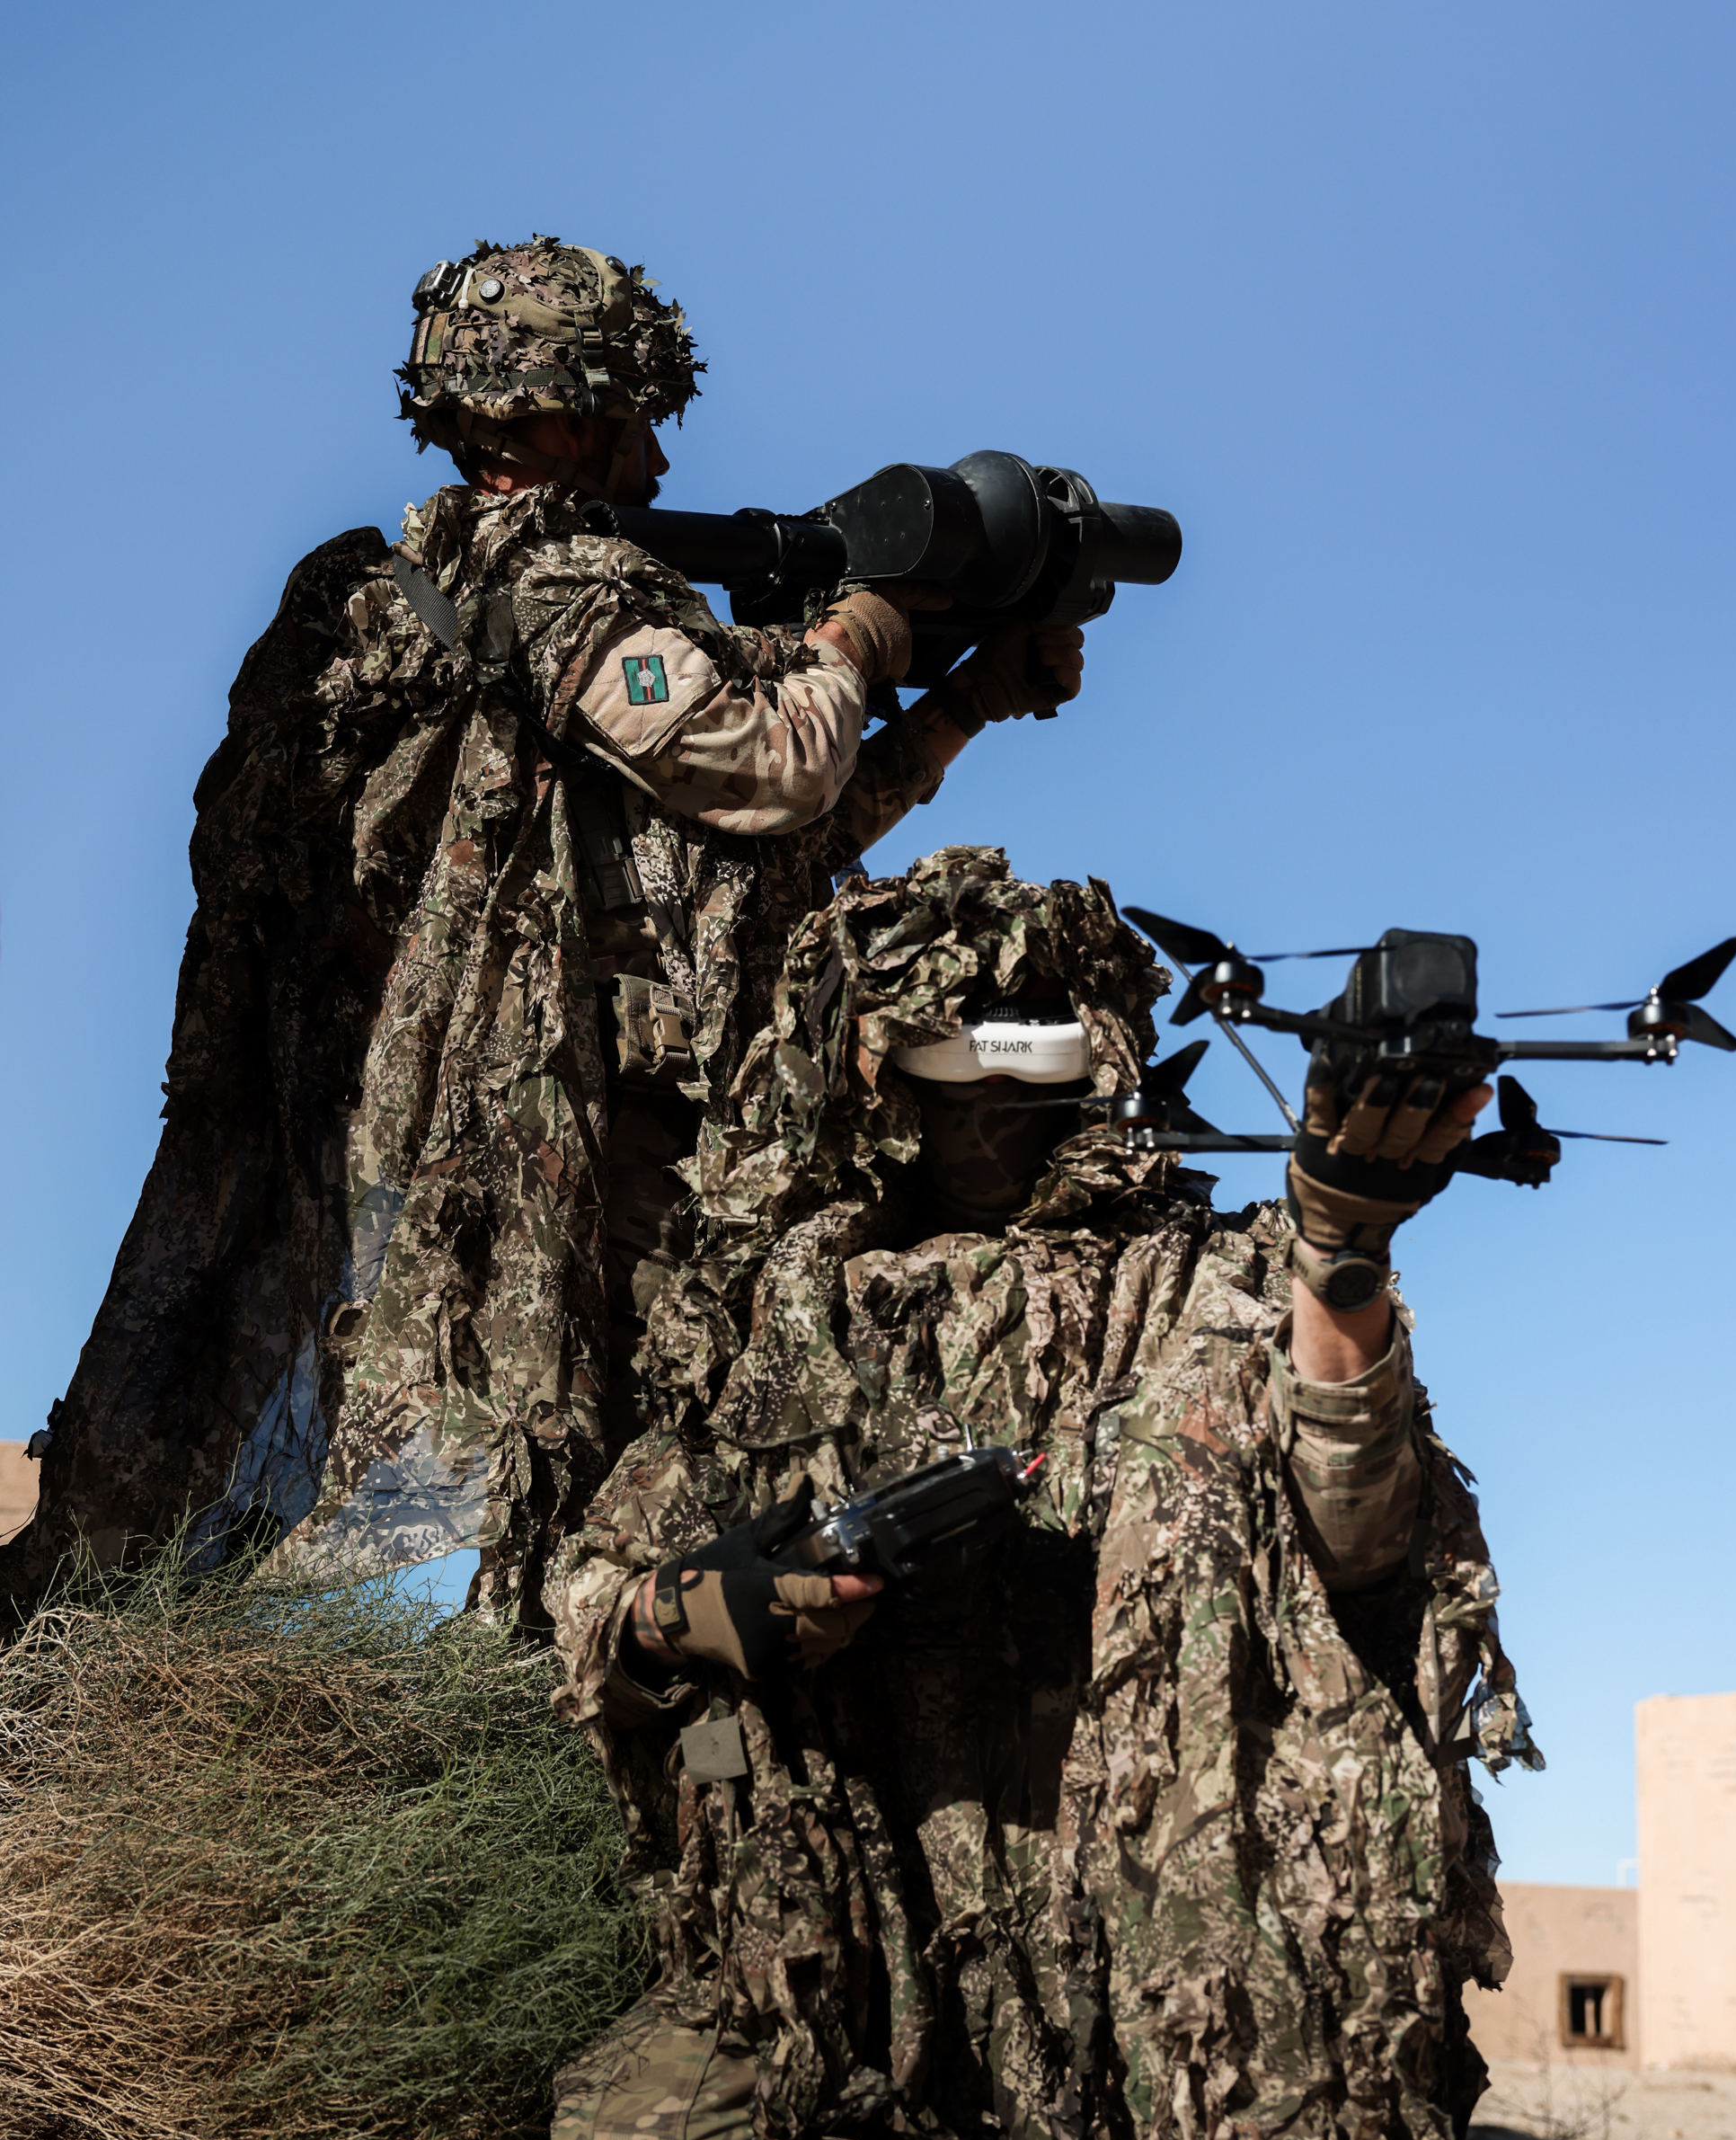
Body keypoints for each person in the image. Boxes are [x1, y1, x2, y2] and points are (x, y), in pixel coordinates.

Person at [11, 239, 1080, 1620]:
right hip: (520, 1127)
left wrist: (958, 710)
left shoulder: (419, 606)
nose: (655, 463)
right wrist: (858, 636)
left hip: (427, 1107)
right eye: (635, 422)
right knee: (529, 1463)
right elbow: (763, 772)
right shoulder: (546, 585)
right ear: (561, 416)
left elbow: (750, 862)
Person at [544, 847, 1538, 2140]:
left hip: (1166, 1982)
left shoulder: (1208, 1286)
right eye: (957, 1086)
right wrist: (689, 1612)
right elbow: (594, 1590)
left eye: (1035, 1085)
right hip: (846, 1963)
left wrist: (1339, 1261)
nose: (996, 1125)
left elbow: (1363, 1552)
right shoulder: (771, 1319)